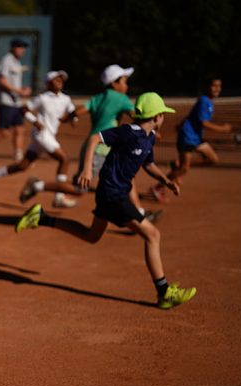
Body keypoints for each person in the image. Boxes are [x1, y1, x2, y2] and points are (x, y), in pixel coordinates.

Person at [15, 92, 196, 309]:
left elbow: (148, 164)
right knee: (152, 235)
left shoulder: (148, 138)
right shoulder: (128, 132)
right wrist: (86, 169)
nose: (163, 118)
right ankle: (164, 292)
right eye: (162, 114)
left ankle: (42, 218)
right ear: (156, 117)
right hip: (113, 195)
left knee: (91, 236)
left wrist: (166, 180)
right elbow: (94, 139)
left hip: (114, 193)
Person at [19, 65, 160, 221]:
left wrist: (67, 118)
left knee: (126, 175)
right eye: (124, 81)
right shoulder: (121, 99)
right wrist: (151, 127)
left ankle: (140, 213)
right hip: (100, 147)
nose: (126, 85)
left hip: (96, 145)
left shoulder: (98, 98)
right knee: (80, 188)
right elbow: (138, 116)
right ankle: (38, 185)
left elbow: (78, 112)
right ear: (114, 83)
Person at [0, 70, 78, 208]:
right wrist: (35, 121)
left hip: (49, 136)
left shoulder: (66, 99)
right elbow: (24, 109)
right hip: (41, 135)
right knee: (64, 159)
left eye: (61, 80)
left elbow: (72, 112)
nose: (60, 83)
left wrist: (73, 119)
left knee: (23, 165)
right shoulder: (42, 98)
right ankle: (59, 197)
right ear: (48, 83)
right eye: (56, 80)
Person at [148, 76, 232, 202]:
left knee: (213, 159)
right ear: (207, 87)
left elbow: (192, 116)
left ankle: (177, 165)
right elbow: (203, 123)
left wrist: (181, 124)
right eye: (214, 86)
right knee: (184, 169)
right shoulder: (204, 101)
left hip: (195, 138)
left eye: (219, 86)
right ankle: (157, 188)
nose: (217, 89)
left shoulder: (207, 101)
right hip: (187, 137)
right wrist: (223, 129)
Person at [0, 38, 32, 167]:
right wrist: (19, 91)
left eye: (24, 47)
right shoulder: (7, 60)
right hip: (6, 102)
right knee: (4, 132)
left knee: (20, 129)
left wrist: (22, 90)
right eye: (20, 47)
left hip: (16, 102)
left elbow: (13, 82)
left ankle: (18, 155)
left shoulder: (17, 62)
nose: (23, 50)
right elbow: (2, 82)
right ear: (13, 47)